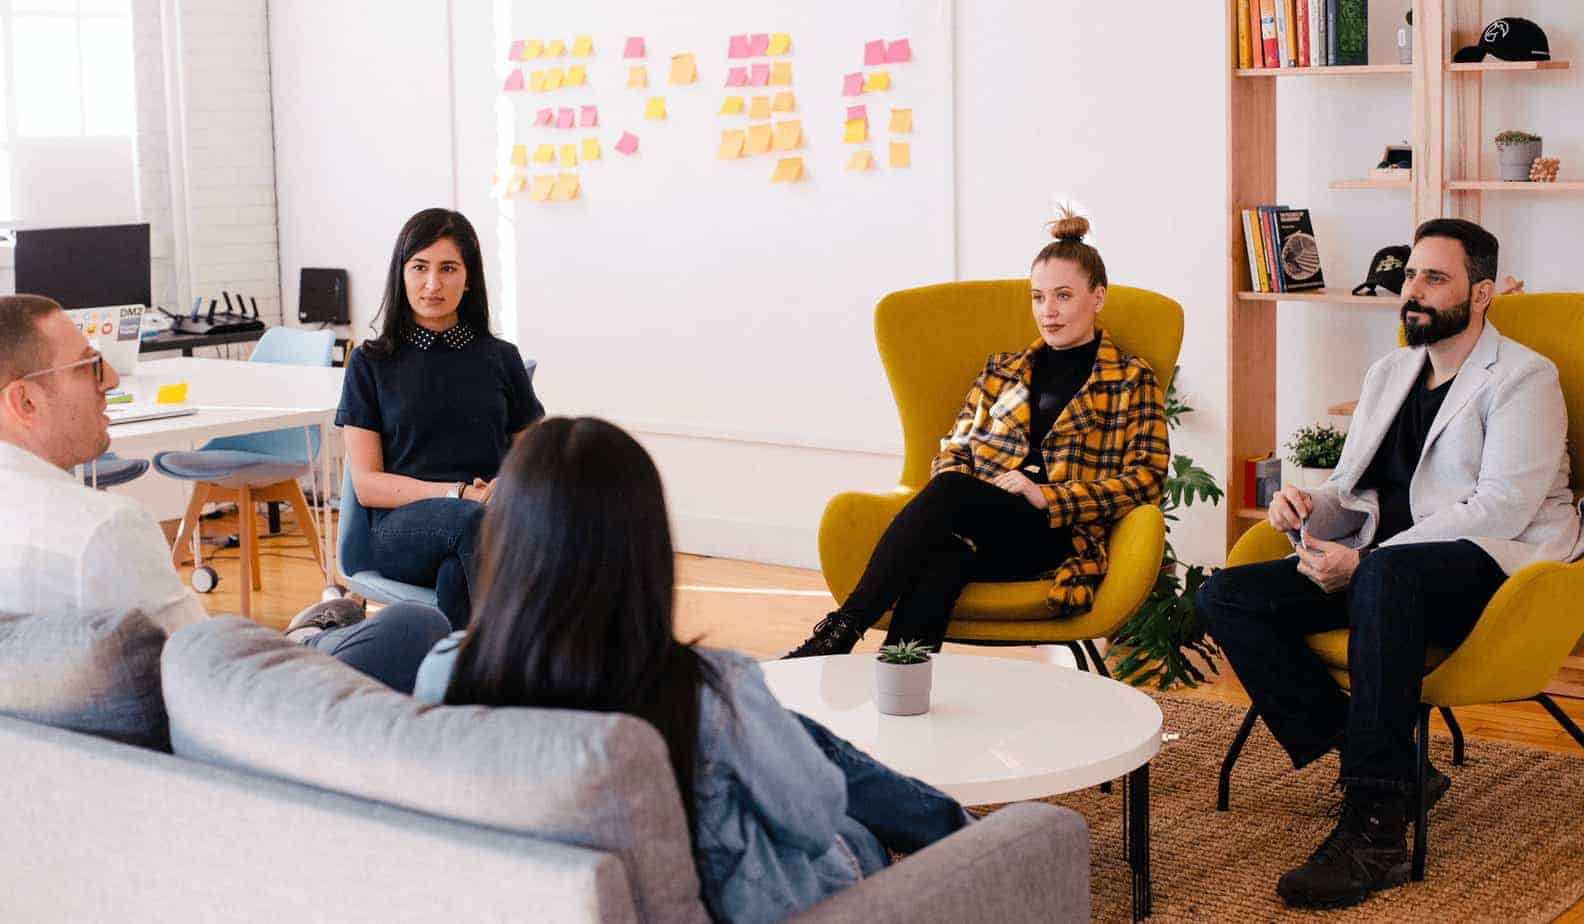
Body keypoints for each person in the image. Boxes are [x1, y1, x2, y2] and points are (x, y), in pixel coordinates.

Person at [412, 417, 971, 922]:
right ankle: (964, 832)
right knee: (842, 813)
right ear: (645, 546)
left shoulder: (445, 672)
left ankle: (940, 817)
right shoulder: (704, 688)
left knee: (781, 731)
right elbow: (814, 816)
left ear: (505, 540)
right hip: (751, 905)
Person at [1197, 218, 1584, 909]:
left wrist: (1367, 559)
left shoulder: (1524, 377)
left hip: (1500, 570)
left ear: (1483, 292)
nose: (1414, 290)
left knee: (1384, 575)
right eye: (1410, 275)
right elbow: (1356, 490)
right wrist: (1306, 507)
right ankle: (1391, 764)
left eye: (1435, 278)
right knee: (1228, 594)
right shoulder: (1390, 373)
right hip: (1387, 573)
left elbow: (1501, 508)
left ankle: (1376, 831)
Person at [0, 295, 447, 703]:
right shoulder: (101, 532)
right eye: (90, 366)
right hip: (240, 714)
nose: (112, 379)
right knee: (413, 625)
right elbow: (207, 675)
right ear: (25, 401)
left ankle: (301, 638)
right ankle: (303, 641)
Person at [785, 212, 1170, 658]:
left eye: (1063, 296)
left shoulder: (1130, 378)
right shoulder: (1002, 371)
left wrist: (1050, 496)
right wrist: (978, 495)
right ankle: (900, 683)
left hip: (1056, 535)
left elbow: (1147, 479)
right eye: (1039, 297)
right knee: (943, 558)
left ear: (1097, 297)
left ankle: (841, 630)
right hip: (980, 521)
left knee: (949, 492)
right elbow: (955, 449)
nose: (1049, 311)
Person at [336, 208, 544, 630]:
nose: (433, 284)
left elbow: (540, 457)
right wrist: (460, 493)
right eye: (420, 267)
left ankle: (458, 684)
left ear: (469, 279)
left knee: (458, 576)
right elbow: (368, 485)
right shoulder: (370, 363)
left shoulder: (501, 358)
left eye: (448, 268)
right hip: (399, 531)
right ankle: (537, 661)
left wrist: (509, 484)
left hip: (483, 526)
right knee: (477, 526)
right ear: (402, 274)